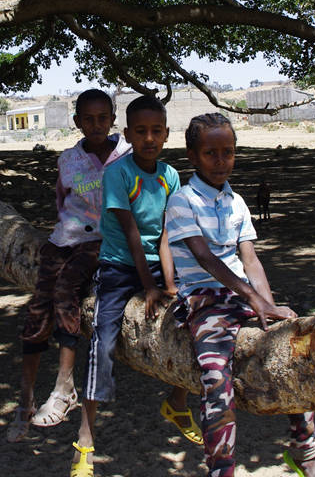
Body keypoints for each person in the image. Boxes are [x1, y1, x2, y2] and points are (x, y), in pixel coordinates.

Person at [165, 113, 315, 477]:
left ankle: (304, 447)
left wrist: (268, 305)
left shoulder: (236, 202)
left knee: (294, 345)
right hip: (205, 301)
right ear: (192, 155)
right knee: (216, 378)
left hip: (241, 297)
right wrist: (252, 297)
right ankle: (221, 468)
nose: (221, 161)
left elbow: (250, 259)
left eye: (228, 152)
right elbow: (204, 257)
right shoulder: (181, 201)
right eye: (211, 153)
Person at [69, 94, 195, 477]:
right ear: (127, 134)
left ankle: (177, 400)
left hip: (158, 264)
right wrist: (148, 287)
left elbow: (166, 234)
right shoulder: (118, 174)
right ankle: (85, 443)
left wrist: (169, 285)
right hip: (119, 266)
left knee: (195, 317)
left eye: (156, 131)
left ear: (167, 134)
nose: (149, 138)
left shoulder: (171, 176)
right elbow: (132, 234)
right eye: (140, 131)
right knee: (102, 339)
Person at [7, 89, 130, 442]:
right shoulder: (68, 160)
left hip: (103, 241)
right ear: (77, 122)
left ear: (112, 119)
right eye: (87, 119)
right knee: (37, 309)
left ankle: (64, 386)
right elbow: (63, 201)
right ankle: (25, 399)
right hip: (65, 239)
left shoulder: (126, 157)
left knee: (65, 294)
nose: (95, 125)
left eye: (102, 118)